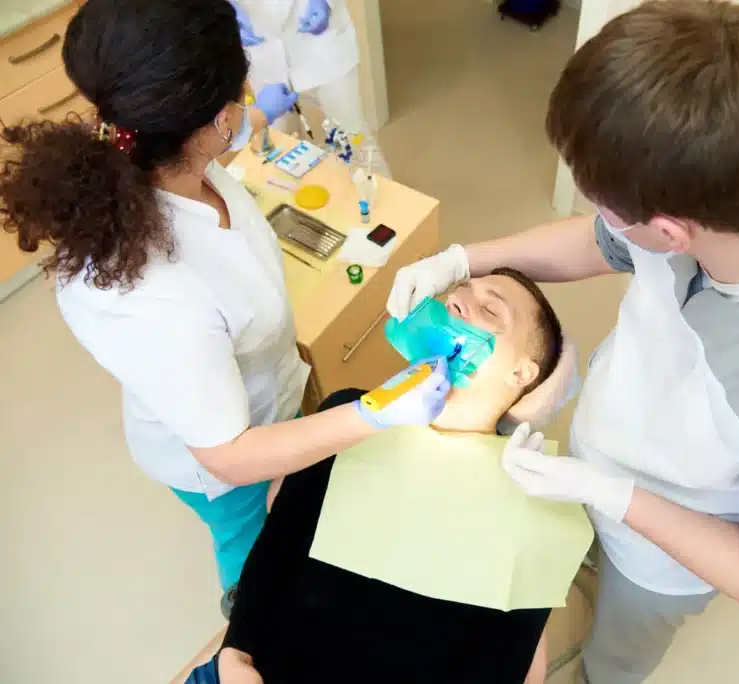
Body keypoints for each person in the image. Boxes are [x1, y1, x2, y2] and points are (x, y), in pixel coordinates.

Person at [386, 1, 739, 682]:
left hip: (661, 564)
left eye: (606, 205)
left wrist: (620, 498)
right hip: (600, 468)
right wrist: (464, 259)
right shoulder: (736, 171)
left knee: (610, 656)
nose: (599, 219)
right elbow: (606, 241)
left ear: (674, 231)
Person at [0, 0, 448, 615]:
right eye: (241, 93)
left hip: (264, 395)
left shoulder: (169, 164)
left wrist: (255, 123)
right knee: (261, 570)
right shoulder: (151, 295)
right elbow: (230, 455)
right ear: (212, 119)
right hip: (223, 465)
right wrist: (376, 412)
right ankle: (254, 614)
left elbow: (222, 215)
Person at [186, 268, 565, 684]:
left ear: (523, 374)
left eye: (490, 310)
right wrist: (235, 649)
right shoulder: (352, 415)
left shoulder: (531, 500)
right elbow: (279, 541)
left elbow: (507, 654)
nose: (458, 302)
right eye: (460, 291)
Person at [229, 0, 388, 174]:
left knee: (352, 138)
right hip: (261, 46)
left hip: (322, 43)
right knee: (279, 144)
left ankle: (378, 197)